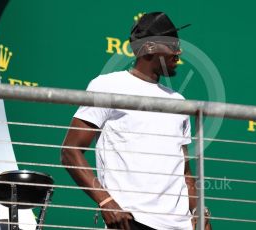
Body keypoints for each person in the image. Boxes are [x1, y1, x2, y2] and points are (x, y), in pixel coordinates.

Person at [61, 12, 210, 230]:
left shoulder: (179, 102)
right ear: (149, 48)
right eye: (172, 45)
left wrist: (200, 212)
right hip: (132, 221)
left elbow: (184, 171)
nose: (178, 52)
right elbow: (70, 150)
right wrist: (106, 202)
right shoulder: (108, 86)